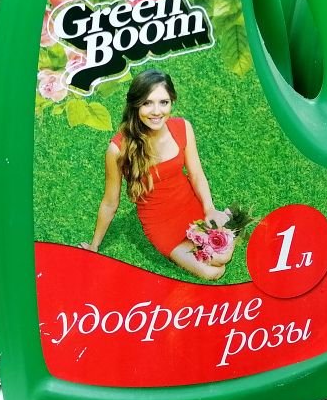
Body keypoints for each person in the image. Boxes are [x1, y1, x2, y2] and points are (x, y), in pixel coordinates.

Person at [81, 69, 232, 280]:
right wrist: (94, 246)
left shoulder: (183, 127)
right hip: (161, 224)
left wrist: (209, 209)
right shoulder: (117, 149)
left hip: (190, 206)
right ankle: (220, 230)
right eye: (147, 103)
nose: (156, 111)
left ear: (172, 101)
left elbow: (196, 174)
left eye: (164, 102)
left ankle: (218, 226)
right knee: (213, 272)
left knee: (223, 256)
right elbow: (109, 203)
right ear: (136, 105)